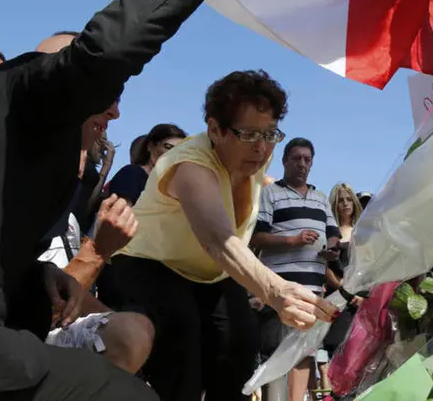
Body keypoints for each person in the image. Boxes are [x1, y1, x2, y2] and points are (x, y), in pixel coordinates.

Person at [0, 0, 210, 399]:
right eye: (110, 97)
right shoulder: (28, 89)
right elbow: (107, 51)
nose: (114, 112)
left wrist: (35, 276)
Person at [112, 70, 338, 401]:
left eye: (270, 134)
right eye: (248, 134)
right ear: (215, 129)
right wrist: (275, 289)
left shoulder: (260, 151)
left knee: (240, 347)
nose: (261, 148)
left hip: (211, 273)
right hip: (150, 264)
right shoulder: (190, 164)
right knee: (182, 344)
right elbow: (218, 239)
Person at [251, 138, 341, 401]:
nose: (302, 164)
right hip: (280, 292)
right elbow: (257, 237)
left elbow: (333, 234)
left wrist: (332, 250)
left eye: (307, 159)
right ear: (285, 161)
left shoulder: (321, 199)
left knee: (305, 354)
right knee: (276, 353)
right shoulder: (271, 194)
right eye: (296, 158)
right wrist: (293, 240)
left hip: (312, 292)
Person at [96, 123, 186, 309]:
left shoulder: (169, 191)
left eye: (179, 151)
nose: (171, 155)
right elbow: (117, 221)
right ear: (150, 146)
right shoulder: (133, 174)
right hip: (123, 268)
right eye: (167, 147)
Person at [321, 183, 365, 393]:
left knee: (362, 354)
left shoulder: (364, 230)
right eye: (340, 200)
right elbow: (323, 268)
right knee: (337, 353)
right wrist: (344, 291)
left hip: (363, 302)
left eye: (348, 199)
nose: (346, 204)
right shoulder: (329, 233)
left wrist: (362, 295)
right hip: (337, 301)